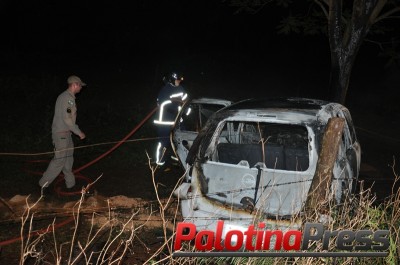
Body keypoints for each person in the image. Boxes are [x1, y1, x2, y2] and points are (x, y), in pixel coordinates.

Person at [39, 75, 86, 192]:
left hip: (67, 134)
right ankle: (42, 186)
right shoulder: (67, 98)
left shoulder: (68, 97)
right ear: (75, 84)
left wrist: (73, 131)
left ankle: (70, 185)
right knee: (59, 160)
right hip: (61, 135)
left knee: (68, 159)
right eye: (80, 85)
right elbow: (67, 119)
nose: (81, 88)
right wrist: (79, 132)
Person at [153, 72, 188, 165]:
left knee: (182, 138)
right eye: (177, 80)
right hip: (164, 120)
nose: (179, 82)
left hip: (177, 120)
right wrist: (174, 103)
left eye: (180, 80)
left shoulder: (181, 89)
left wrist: (186, 111)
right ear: (172, 80)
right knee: (164, 141)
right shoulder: (165, 90)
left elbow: (186, 101)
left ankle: (177, 156)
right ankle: (160, 160)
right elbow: (161, 103)